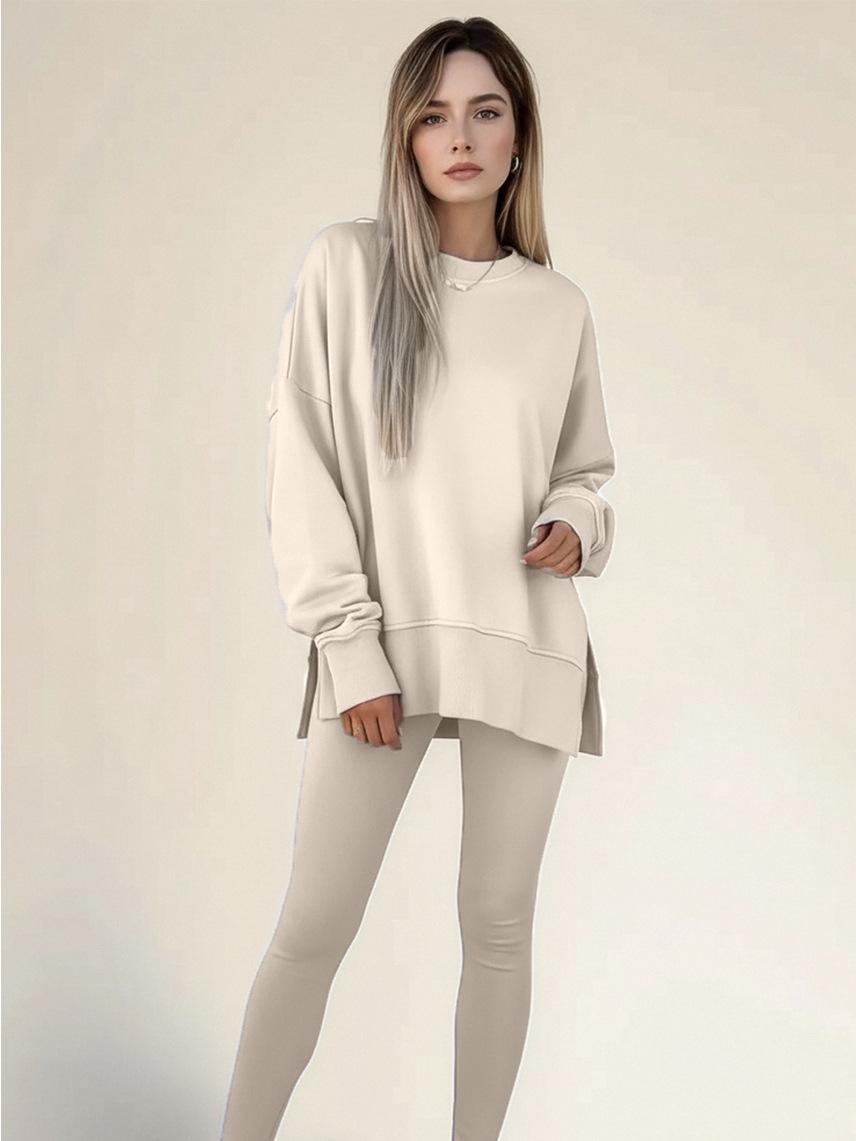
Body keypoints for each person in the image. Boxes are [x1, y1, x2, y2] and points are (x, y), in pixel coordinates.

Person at [219, 16, 617, 1141]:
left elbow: (586, 471)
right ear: (404, 136)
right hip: (382, 645)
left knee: (498, 928)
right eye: (434, 115)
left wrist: (574, 520)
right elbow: (299, 457)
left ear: (519, 136)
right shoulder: (346, 267)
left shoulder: (557, 307)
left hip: (525, 635)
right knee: (312, 926)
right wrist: (348, 644)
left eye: (485, 111)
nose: (460, 137)